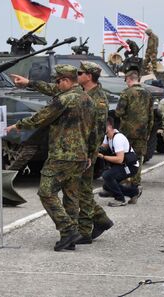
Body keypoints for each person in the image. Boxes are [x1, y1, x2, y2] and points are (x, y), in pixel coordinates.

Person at [7, 65, 96, 251]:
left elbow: (41, 118)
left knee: (46, 192)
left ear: (65, 80)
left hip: (62, 155)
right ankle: (68, 239)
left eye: (58, 81)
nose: (56, 85)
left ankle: (68, 229)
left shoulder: (64, 100)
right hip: (79, 156)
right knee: (71, 196)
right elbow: (93, 131)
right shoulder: (87, 99)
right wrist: (90, 154)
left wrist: (18, 125)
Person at [75, 61, 114, 244]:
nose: (77, 74)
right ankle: (101, 219)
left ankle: (84, 231)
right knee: (79, 190)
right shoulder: (82, 92)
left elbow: (98, 132)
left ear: (89, 76)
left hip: (85, 153)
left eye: (80, 72)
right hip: (76, 149)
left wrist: (90, 156)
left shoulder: (98, 100)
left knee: (82, 191)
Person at [115, 70, 154, 186]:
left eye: (126, 80)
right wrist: (148, 131)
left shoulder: (126, 93)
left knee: (125, 156)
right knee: (138, 157)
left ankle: (125, 179)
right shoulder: (148, 93)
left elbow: (118, 112)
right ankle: (136, 180)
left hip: (127, 131)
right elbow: (151, 115)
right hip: (142, 131)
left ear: (129, 79)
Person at [98, 117, 141, 206]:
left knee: (107, 175)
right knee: (107, 186)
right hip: (123, 165)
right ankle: (134, 192)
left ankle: (120, 199)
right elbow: (103, 147)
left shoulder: (118, 138)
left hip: (130, 166)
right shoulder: (107, 136)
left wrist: (103, 157)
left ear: (109, 127)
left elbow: (119, 159)